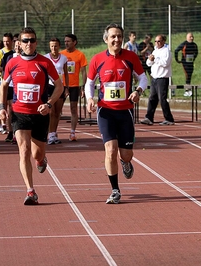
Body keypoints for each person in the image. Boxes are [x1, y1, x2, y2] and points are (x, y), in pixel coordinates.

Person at [0, 27, 63, 205]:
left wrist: (49, 104)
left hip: (40, 114)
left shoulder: (45, 62)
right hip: (19, 114)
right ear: (18, 43)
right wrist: (1, 107)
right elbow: (3, 86)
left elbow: (59, 86)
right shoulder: (12, 63)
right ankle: (30, 191)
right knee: (24, 150)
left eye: (32, 40)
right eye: (25, 40)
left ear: (36, 42)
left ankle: (41, 159)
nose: (29, 44)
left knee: (36, 153)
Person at [85, 23, 147, 204]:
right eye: (113, 36)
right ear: (106, 40)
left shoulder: (131, 57)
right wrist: (90, 99)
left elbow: (143, 77)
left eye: (119, 36)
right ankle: (115, 190)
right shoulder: (97, 59)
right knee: (110, 150)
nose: (117, 39)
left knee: (125, 154)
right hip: (106, 111)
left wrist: (138, 91)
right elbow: (89, 83)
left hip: (125, 111)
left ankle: (126, 162)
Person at [140, 34, 174, 126]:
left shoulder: (166, 51)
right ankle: (149, 117)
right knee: (152, 98)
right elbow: (148, 63)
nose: (157, 43)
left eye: (159, 41)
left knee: (162, 99)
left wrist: (155, 59)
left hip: (162, 78)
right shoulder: (155, 51)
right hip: (154, 77)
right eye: (155, 41)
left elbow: (165, 63)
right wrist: (151, 60)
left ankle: (169, 118)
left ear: (163, 41)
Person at [60, 34, 87, 141]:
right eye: (65, 41)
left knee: (73, 109)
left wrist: (83, 87)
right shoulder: (61, 54)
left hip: (74, 86)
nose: (66, 43)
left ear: (74, 42)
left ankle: (72, 132)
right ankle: (52, 132)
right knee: (57, 110)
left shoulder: (80, 55)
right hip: (62, 86)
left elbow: (84, 72)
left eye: (68, 41)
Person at [44, 37, 69, 144]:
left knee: (57, 112)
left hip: (60, 86)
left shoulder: (63, 58)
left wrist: (66, 87)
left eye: (56, 46)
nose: (54, 48)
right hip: (49, 86)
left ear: (59, 46)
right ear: (50, 47)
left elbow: (66, 74)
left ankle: (54, 133)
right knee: (51, 111)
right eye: (52, 46)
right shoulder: (45, 58)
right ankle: (49, 134)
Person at [0, 32, 14, 133]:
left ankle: (10, 128)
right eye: (4, 42)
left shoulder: (15, 52)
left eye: (8, 41)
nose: (6, 43)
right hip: (4, 82)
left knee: (12, 106)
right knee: (2, 104)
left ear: (12, 41)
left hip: (14, 83)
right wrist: (7, 69)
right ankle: (2, 124)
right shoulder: (0, 53)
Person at [175, 32, 198, 97]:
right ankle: (187, 90)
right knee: (187, 75)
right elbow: (176, 50)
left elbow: (196, 52)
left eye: (192, 37)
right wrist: (177, 60)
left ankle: (188, 89)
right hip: (185, 63)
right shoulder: (184, 44)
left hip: (191, 62)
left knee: (190, 75)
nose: (192, 38)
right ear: (187, 38)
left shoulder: (194, 45)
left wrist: (193, 58)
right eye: (190, 37)